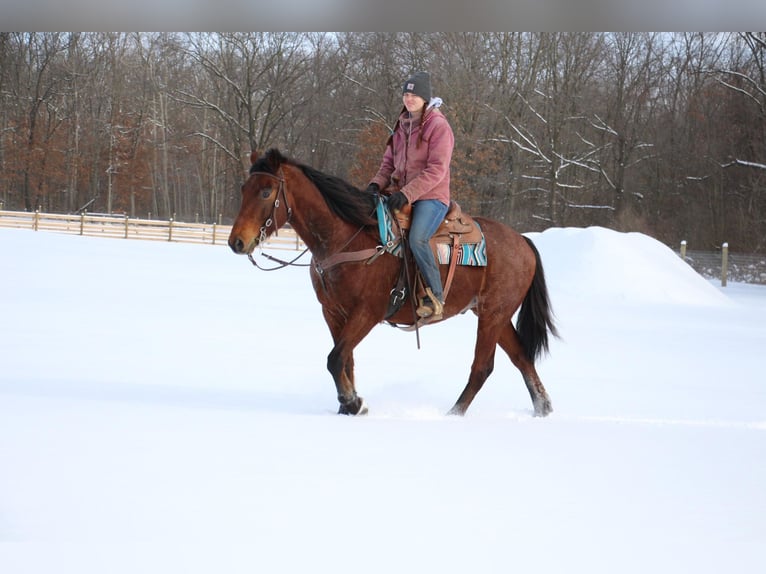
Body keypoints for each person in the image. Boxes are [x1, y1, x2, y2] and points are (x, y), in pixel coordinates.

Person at [366, 71, 454, 320]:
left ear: (425, 97)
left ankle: (434, 296)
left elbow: (437, 169)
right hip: (400, 193)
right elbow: (387, 166)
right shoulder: (401, 125)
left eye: (414, 94)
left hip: (431, 196)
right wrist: (375, 185)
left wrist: (407, 193)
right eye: (406, 94)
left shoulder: (438, 126)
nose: (409, 99)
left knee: (417, 238)